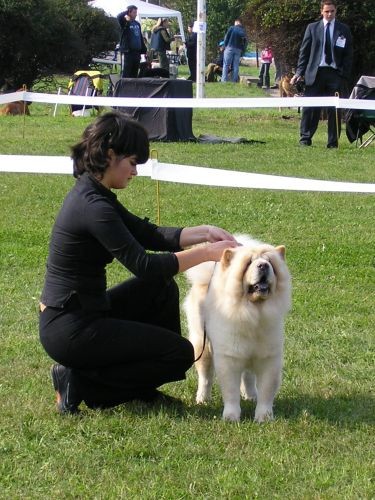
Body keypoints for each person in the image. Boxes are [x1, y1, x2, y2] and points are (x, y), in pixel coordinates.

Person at [39, 111, 238, 414]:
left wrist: (205, 232)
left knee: (162, 289)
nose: (135, 172)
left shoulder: (95, 194)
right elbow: (145, 265)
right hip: (71, 329)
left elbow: (148, 233)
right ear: (110, 155)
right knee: (180, 353)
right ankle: (78, 382)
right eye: (132, 163)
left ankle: (139, 386)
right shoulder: (93, 207)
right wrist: (209, 254)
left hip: (85, 312)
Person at [290, 1, 353, 148]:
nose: (329, 14)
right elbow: (304, 53)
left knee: (334, 110)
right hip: (315, 73)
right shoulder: (312, 28)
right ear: (321, 12)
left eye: (332, 11)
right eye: (327, 11)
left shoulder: (344, 30)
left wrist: (343, 74)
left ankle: (333, 142)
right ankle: (305, 139)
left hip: (334, 74)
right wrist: (299, 72)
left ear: (336, 11)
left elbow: (348, 55)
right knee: (310, 108)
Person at [117, 5, 147, 78]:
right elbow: (119, 16)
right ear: (129, 13)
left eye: (136, 12)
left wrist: (144, 50)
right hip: (128, 52)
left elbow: (139, 37)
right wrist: (127, 11)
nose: (136, 14)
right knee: (127, 73)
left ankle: (133, 88)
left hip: (137, 53)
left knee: (134, 73)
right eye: (134, 12)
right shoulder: (125, 23)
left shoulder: (137, 24)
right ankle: (124, 88)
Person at [221, 18, 247, 83]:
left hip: (230, 47)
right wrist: (243, 50)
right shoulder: (243, 31)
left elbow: (226, 37)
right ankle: (234, 80)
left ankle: (224, 80)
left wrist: (224, 46)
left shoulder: (232, 28)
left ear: (237, 22)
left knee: (226, 64)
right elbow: (245, 42)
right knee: (236, 65)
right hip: (238, 49)